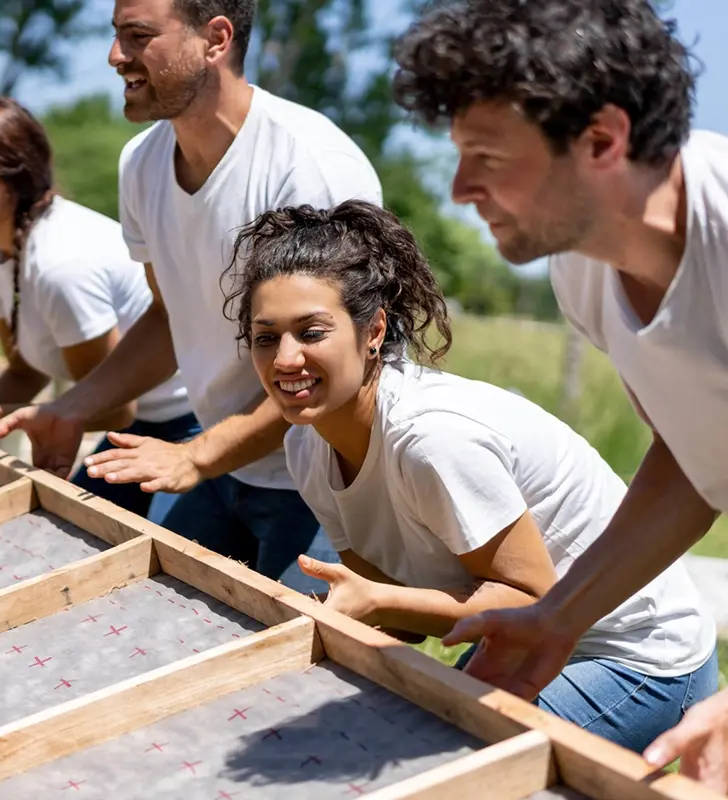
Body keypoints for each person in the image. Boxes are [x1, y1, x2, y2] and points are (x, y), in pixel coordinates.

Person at [221, 197, 717, 753]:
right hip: (522, 644)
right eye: (266, 337)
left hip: (635, 657)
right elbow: (394, 608)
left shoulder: (432, 439)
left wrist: (377, 604)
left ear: (374, 332)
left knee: (445, 767)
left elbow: (529, 601)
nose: (285, 359)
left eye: (311, 332)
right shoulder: (306, 449)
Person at [389, 0, 728, 787]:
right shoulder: (584, 266)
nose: (460, 188)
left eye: (488, 158)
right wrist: (560, 617)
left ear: (602, 140)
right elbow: (693, 458)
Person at [0, 0, 384, 593]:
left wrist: (196, 456)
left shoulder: (309, 168)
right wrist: (71, 409)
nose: (114, 55)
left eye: (138, 35)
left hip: (323, 478)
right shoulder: (141, 163)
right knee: (138, 615)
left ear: (216, 39)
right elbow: (167, 317)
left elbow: (336, 364)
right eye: (115, 35)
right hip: (219, 462)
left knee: (295, 670)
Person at [0, 95, 199, 519]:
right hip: (131, 425)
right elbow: (24, 369)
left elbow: (113, 407)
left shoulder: (61, 264)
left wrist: (2, 417)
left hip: (187, 424)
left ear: (12, 174)